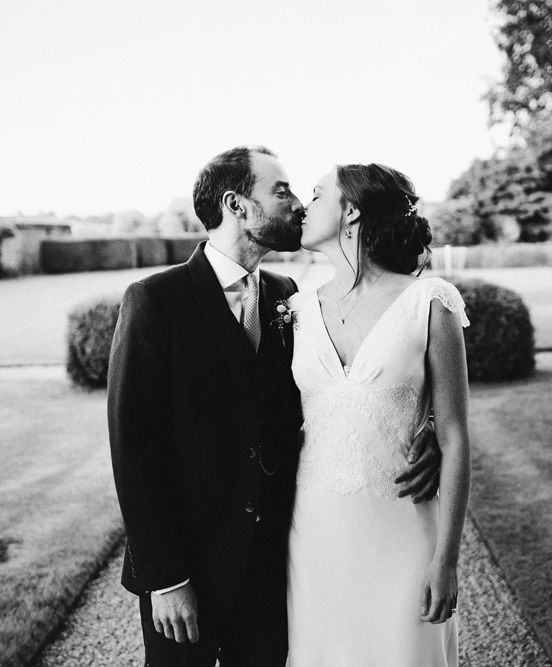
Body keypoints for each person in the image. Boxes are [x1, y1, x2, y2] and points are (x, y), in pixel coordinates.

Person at [107, 146, 441, 666]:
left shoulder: (289, 297)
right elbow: (135, 448)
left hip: (276, 562)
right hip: (189, 565)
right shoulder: (155, 299)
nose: (297, 205)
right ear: (236, 205)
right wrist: (166, 578)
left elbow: (334, 398)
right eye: (281, 191)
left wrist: (429, 427)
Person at [287, 164, 471, 665]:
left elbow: (455, 435)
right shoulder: (296, 309)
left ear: (351, 211)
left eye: (317, 194)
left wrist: (447, 559)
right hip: (315, 533)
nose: (305, 205)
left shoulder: (430, 301)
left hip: (403, 528)